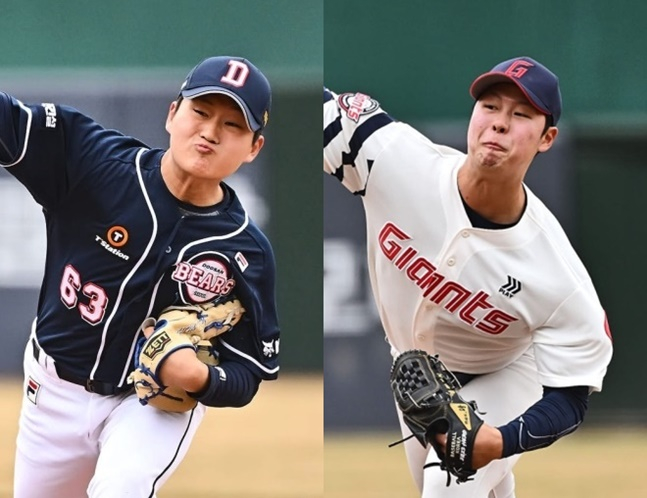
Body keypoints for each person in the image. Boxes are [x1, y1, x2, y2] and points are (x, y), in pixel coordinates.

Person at [323, 56, 613, 497]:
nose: (499, 123)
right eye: (490, 106)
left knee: (446, 486)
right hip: (414, 375)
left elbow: (570, 398)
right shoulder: (394, 159)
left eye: (520, 115)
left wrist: (501, 440)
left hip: (511, 371)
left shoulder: (557, 275)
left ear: (547, 138)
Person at [4, 55, 280, 497]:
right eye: (201, 112)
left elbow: (249, 370)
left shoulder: (245, 250)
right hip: (52, 391)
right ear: (173, 113)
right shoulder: (91, 160)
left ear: (253, 148)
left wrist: (203, 379)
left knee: (121, 488)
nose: (210, 132)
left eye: (233, 125)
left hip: (150, 404)